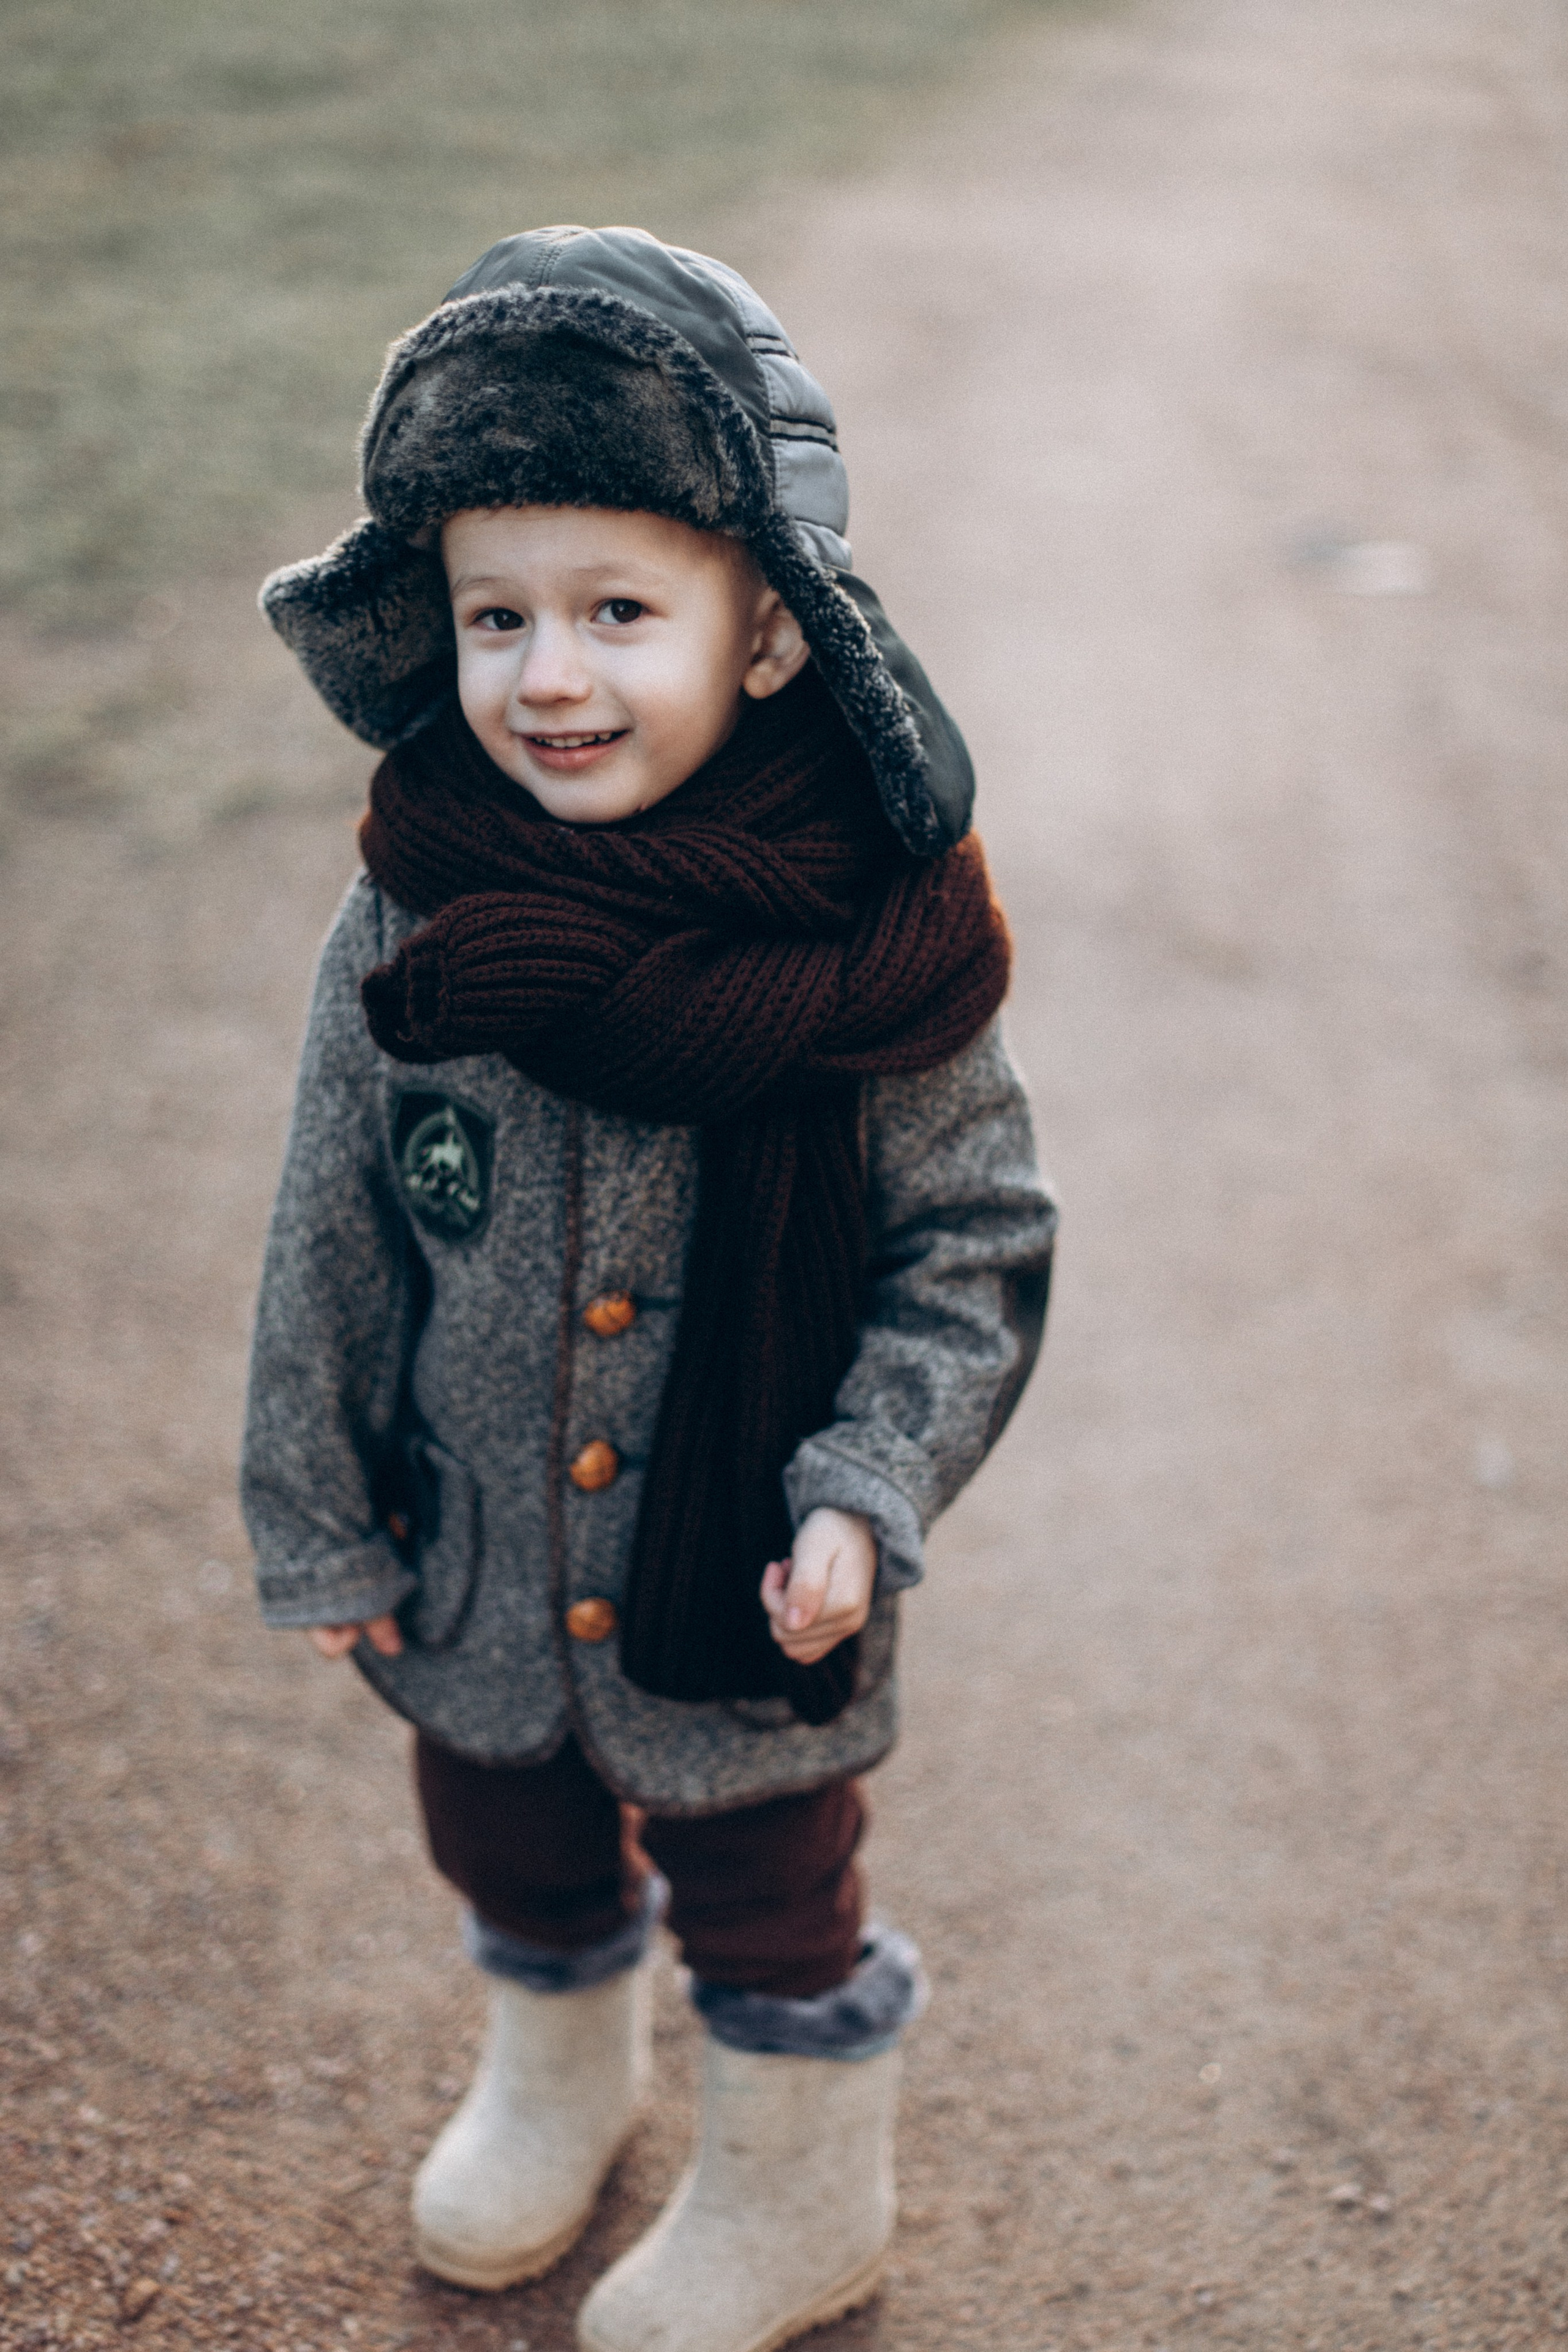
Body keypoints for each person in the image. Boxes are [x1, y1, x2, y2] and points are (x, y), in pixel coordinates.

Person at [242, 224, 1056, 2352]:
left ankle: (804, 2195)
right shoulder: (412, 918)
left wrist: (863, 1488)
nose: (552, 675)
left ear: (768, 630)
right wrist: (322, 1505)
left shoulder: (880, 948)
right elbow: (332, 1225)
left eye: (622, 610)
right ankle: (559, 2072)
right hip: (480, 1551)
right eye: (498, 616)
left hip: (749, 1572)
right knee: (506, 1831)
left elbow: (966, 1248)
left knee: (775, 1900)